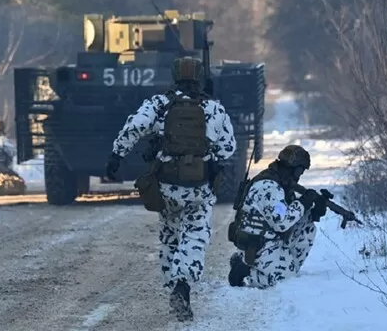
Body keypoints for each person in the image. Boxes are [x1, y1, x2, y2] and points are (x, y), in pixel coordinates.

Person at [104, 56, 236, 322]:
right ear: (200, 77)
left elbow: (136, 126)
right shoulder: (214, 108)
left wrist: (117, 154)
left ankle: (172, 281)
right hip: (199, 187)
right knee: (195, 235)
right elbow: (228, 148)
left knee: (170, 234)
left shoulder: (159, 104)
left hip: (166, 184)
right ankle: (182, 284)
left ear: (174, 76)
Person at [227, 144, 326, 289]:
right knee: (283, 281)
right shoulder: (268, 186)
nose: (300, 176)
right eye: (300, 171)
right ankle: (245, 272)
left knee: (308, 229)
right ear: (294, 168)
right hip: (257, 242)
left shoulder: (282, 184)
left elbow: (290, 214)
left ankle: (285, 266)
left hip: (270, 237)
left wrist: (314, 212)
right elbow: (282, 222)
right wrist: (303, 202)